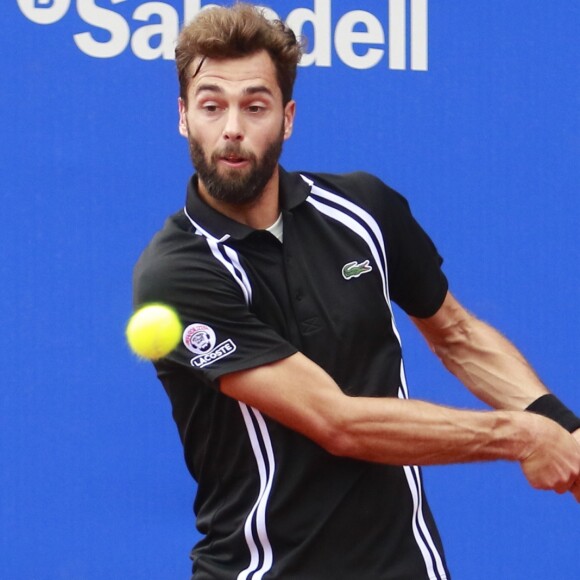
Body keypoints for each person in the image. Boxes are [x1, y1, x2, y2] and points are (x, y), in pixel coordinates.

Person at [132, 4, 580, 579]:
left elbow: (459, 337)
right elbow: (337, 422)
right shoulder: (175, 274)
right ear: (183, 117)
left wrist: (563, 428)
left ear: (288, 118)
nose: (233, 129)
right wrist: (521, 435)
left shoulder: (363, 208)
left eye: (256, 106)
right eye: (212, 105)